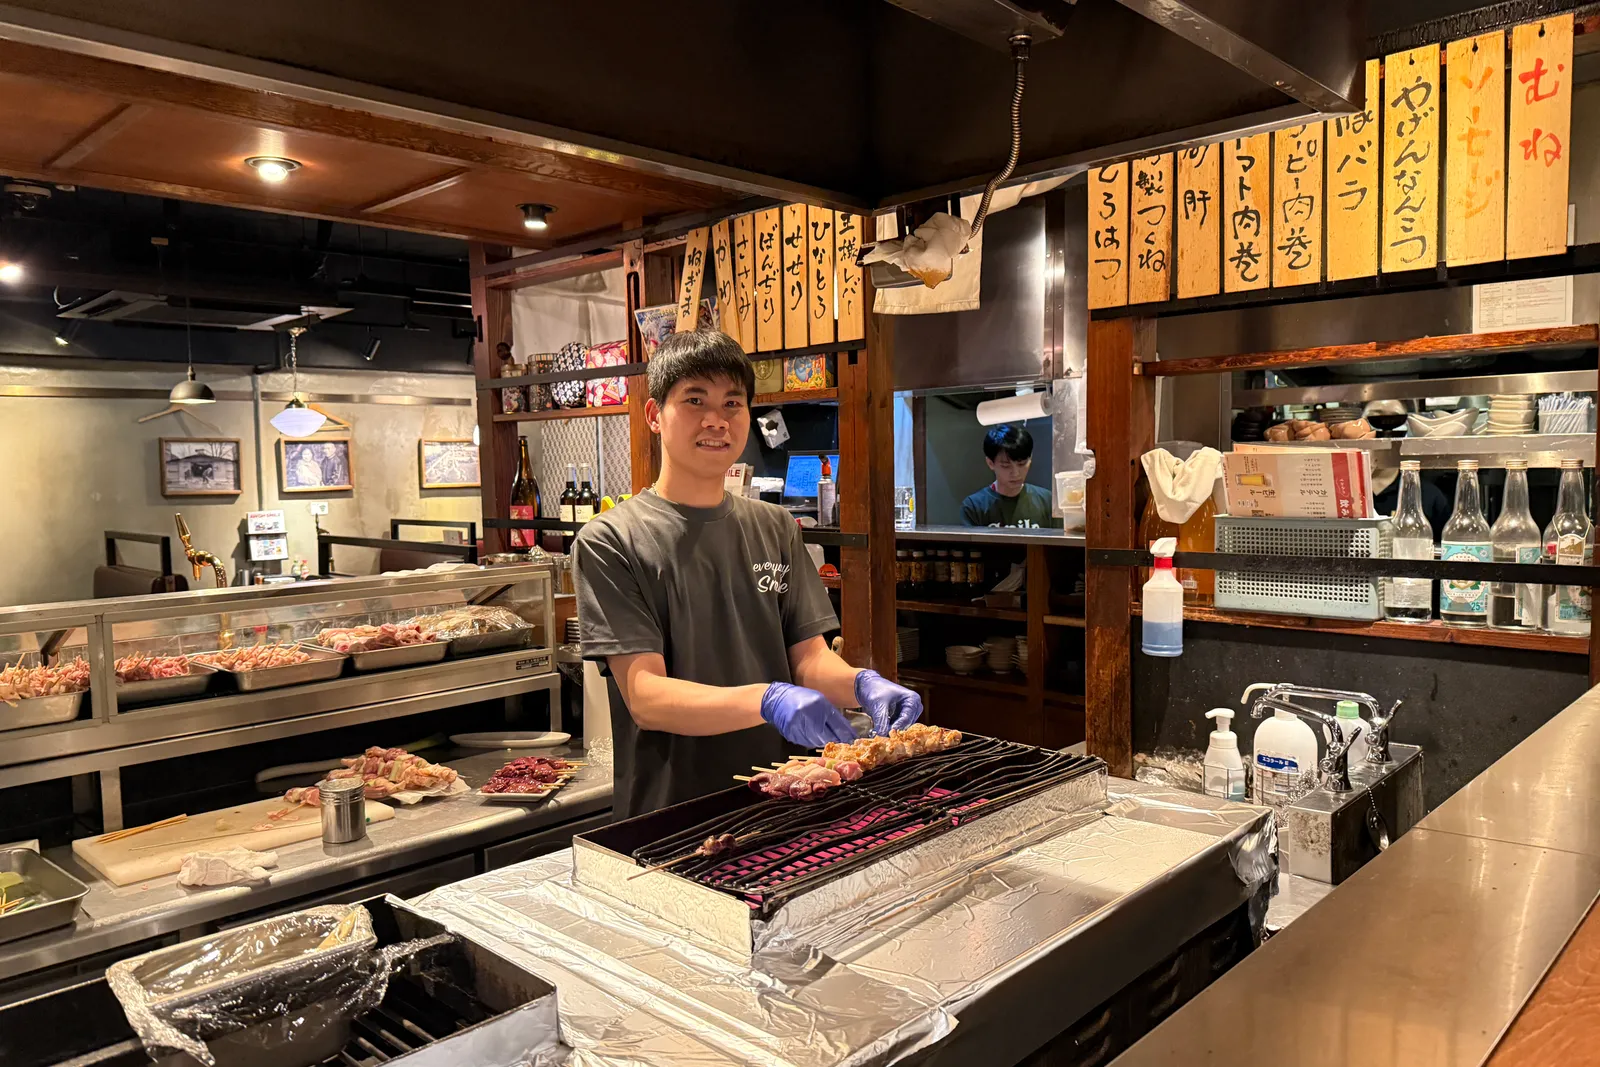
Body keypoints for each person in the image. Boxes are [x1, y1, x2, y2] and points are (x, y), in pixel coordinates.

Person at [575, 330, 923, 818]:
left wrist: (863, 685)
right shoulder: (612, 540)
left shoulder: (775, 526)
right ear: (655, 416)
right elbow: (646, 697)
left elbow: (809, 661)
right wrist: (768, 699)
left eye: (732, 403)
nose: (716, 420)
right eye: (695, 400)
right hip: (674, 812)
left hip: (791, 798)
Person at [961, 424, 1059, 528]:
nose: (1016, 473)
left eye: (1022, 464)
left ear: (1030, 459)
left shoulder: (1047, 501)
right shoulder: (974, 506)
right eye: (1006, 466)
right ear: (990, 463)